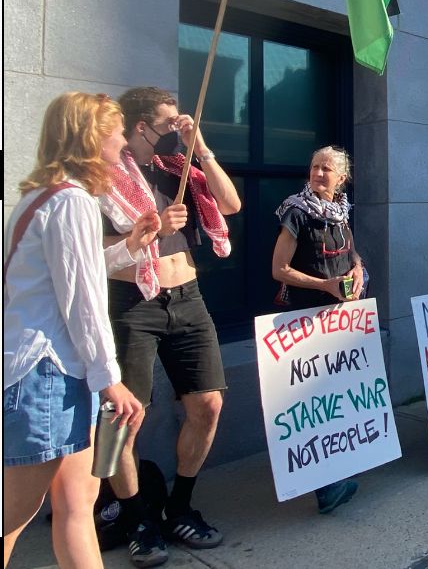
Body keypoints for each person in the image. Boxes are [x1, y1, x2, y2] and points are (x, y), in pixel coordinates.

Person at [4, 92, 150, 568]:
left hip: (55, 373)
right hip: (48, 374)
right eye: (117, 129)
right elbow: (83, 300)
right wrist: (110, 380)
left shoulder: (44, 196)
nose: (124, 140)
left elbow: (74, 272)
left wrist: (128, 246)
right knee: (14, 517)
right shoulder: (72, 201)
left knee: (77, 507)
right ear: (91, 135)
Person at [100, 87, 241, 567]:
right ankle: (138, 516)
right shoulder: (106, 178)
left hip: (187, 298)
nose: (177, 130)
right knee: (126, 416)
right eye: (169, 123)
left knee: (209, 404)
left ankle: (179, 506)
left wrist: (200, 146)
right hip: (132, 302)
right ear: (141, 126)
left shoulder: (180, 170)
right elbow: (93, 251)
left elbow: (231, 204)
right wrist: (153, 226)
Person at [272, 145, 364, 514]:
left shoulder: (340, 211)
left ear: (341, 178)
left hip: (339, 318)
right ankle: (324, 487)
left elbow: (351, 252)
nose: (319, 173)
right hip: (306, 316)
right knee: (315, 401)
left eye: (327, 168)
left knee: (336, 394)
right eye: (315, 167)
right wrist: (324, 286)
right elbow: (279, 269)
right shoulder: (297, 211)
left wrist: (357, 268)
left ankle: (336, 471)